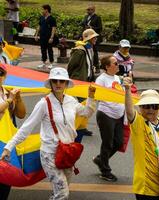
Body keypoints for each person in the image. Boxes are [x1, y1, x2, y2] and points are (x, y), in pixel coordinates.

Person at [0, 67, 96, 200]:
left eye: (61, 81)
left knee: (61, 191)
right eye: (55, 81)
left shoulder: (71, 101)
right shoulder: (44, 103)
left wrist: (91, 97)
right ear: (50, 83)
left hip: (67, 153)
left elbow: (86, 113)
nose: (58, 84)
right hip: (49, 154)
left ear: (66, 84)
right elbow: (26, 128)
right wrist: (8, 147)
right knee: (62, 193)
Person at [92, 55, 124, 182]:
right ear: (107, 66)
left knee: (119, 142)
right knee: (107, 143)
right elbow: (96, 95)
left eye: (117, 63)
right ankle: (105, 170)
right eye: (115, 63)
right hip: (106, 115)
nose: (118, 65)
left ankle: (100, 159)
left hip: (119, 115)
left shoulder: (116, 78)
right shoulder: (101, 79)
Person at [0, 63, 26, 200]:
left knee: (6, 178)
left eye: (1, 73)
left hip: (6, 141)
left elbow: (21, 115)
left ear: (5, 76)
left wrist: (18, 98)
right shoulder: (8, 96)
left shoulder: (6, 92)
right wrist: (10, 99)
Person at [81, 5, 103, 74]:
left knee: (94, 52)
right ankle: (88, 65)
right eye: (87, 9)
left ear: (93, 10)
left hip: (94, 38)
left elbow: (100, 28)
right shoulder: (86, 17)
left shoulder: (97, 18)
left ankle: (97, 67)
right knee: (86, 50)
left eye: (89, 10)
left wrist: (91, 27)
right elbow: (83, 25)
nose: (87, 11)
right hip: (86, 37)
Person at [34, 4, 57, 69]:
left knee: (50, 50)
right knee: (43, 49)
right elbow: (39, 26)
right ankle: (43, 62)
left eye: (43, 9)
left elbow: (53, 28)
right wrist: (36, 35)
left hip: (49, 37)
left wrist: (51, 37)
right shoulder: (41, 18)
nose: (42, 11)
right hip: (42, 36)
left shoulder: (52, 19)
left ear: (46, 10)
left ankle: (51, 63)